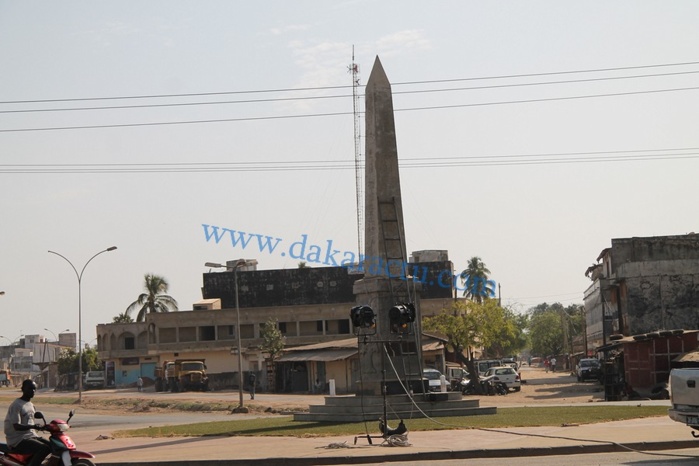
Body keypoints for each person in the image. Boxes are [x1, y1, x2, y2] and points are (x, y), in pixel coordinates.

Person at [3, 380, 51, 466]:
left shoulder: (31, 405)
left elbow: (30, 423)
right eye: (30, 389)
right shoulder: (16, 405)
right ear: (23, 389)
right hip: (18, 439)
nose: (32, 391)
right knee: (43, 449)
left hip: (30, 436)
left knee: (53, 446)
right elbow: (16, 426)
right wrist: (33, 426)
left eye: (34, 389)